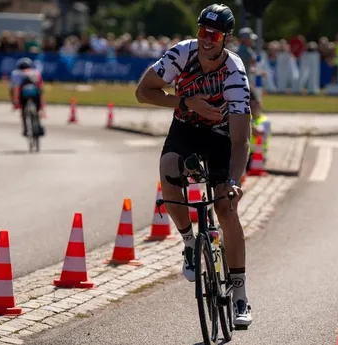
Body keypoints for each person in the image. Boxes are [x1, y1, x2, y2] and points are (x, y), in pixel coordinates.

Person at [135, 3, 252, 327]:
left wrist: (233, 181)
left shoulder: (233, 73)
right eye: (202, 31)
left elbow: (241, 139)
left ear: (225, 38)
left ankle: (240, 293)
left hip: (222, 135)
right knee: (170, 175)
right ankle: (189, 241)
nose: (206, 39)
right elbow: (143, 92)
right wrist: (186, 101)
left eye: (213, 34)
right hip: (186, 127)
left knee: (225, 208)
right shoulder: (181, 55)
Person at [10, 57, 45, 137]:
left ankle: (26, 129)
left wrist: (14, 102)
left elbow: (14, 88)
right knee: (37, 109)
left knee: (23, 111)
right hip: (36, 94)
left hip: (23, 95)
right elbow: (40, 87)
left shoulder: (15, 73)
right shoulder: (36, 72)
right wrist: (42, 107)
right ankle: (38, 124)